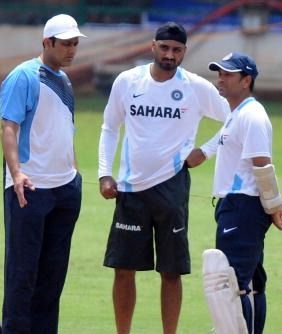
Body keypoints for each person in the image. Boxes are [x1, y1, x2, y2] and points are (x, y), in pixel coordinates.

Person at [98, 22, 230, 334]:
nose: (170, 55)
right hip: (130, 187)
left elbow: (234, 118)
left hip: (172, 186)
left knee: (171, 270)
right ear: (153, 46)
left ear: (184, 52)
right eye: (165, 48)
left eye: (177, 50)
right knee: (123, 268)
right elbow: (109, 127)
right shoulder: (128, 81)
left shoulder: (195, 87)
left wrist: (207, 151)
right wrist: (105, 173)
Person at [0, 14, 85, 334]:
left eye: (75, 44)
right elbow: (9, 127)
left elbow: (66, 130)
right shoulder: (23, 76)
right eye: (65, 44)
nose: (71, 50)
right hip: (30, 187)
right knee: (23, 274)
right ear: (47, 42)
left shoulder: (64, 80)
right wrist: (16, 173)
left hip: (65, 189)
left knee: (53, 276)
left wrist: (75, 174)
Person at [207, 52, 282, 333]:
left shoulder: (252, 116)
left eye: (228, 74)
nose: (221, 78)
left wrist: (274, 207)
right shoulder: (237, 114)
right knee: (250, 284)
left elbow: (263, 166)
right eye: (219, 72)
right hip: (234, 206)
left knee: (234, 285)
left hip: (244, 207)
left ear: (246, 80)